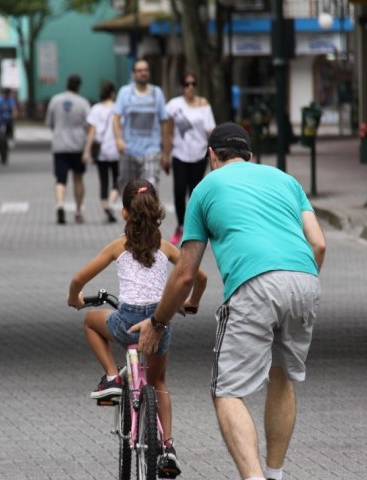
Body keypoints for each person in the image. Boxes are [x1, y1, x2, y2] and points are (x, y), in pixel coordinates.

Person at [133, 123, 327, 480]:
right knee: (282, 378)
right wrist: (296, 283)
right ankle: (274, 475)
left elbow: (185, 273)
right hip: (305, 280)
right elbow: (319, 244)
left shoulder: (205, 189)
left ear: (211, 156)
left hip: (254, 284)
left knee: (227, 391)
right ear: (251, 157)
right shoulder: (286, 180)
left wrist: (158, 322)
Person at [67, 178, 207, 478]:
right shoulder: (166, 247)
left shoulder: (119, 245)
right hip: (159, 321)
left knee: (91, 322)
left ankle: (112, 377)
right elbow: (201, 276)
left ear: (124, 213)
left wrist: (75, 299)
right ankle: (167, 447)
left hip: (127, 322)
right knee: (159, 383)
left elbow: (78, 279)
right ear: (156, 211)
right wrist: (189, 303)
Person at [165, 72, 216, 245]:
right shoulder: (174, 105)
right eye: (187, 84)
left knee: (194, 194)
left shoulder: (204, 106)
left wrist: (214, 155)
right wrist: (165, 154)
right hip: (179, 154)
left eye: (193, 84)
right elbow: (168, 129)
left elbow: (210, 131)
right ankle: (180, 225)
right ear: (182, 87)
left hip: (198, 155)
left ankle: (193, 230)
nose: (191, 87)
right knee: (179, 192)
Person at [113, 59, 169, 194]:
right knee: (128, 190)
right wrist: (119, 140)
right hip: (129, 150)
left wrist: (166, 153)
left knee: (150, 188)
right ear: (133, 74)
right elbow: (116, 119)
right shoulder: (125, 93)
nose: (143, 73)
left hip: (151, 150)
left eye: (145, 70)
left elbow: (165, 123)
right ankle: (132, 215)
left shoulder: (157, 93)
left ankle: (147, 214)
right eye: (139, 70)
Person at [45, 74, 90, 224]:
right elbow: (88, 125)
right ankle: (78, 211)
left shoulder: (55, 100)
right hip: (78, 145)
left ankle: (60, 205)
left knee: (60, 179)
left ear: (67, 84)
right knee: (78, 179)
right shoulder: (83, 103)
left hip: (60, 146)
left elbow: (49, 123)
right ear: (79, 86)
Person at [83, 81, 120, 223]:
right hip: (115, 149)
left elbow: (91, 131)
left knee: (103, 180)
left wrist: (86, 150)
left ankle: (105, 206)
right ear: (112, 93)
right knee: (117, 179)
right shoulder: (117, 108)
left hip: (100, 150)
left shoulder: (96, 109)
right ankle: (111, 203)